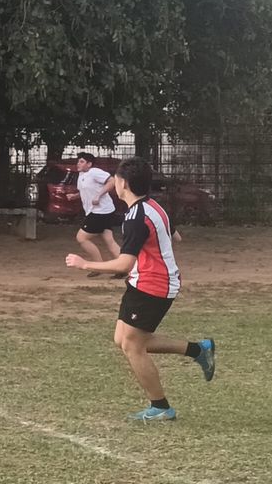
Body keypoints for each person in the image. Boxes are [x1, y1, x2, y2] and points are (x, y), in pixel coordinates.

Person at [65, 156, 215, 421]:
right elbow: (176, 237)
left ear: (123, 183)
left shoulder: (136, 217)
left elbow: (124, 264)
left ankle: (161, 407)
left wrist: (84, 263)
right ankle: (198, 350)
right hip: (143, 280)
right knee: (122, 340)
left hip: (154, 285)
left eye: (116, 179)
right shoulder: (153, 206)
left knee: (133, 346)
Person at [67, 152, 125, 279]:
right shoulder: (81, 175)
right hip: (102, 211)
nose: (78, 163)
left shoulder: (94, 172)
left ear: (89, 164)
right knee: (109, 241)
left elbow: (112, 181)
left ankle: (97, 266)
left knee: (81, 238)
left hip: (100, 212)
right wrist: (75, 196)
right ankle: (124, 268)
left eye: (82, 161)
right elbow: (86, 191)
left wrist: (99, 195)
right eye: (78, 161)